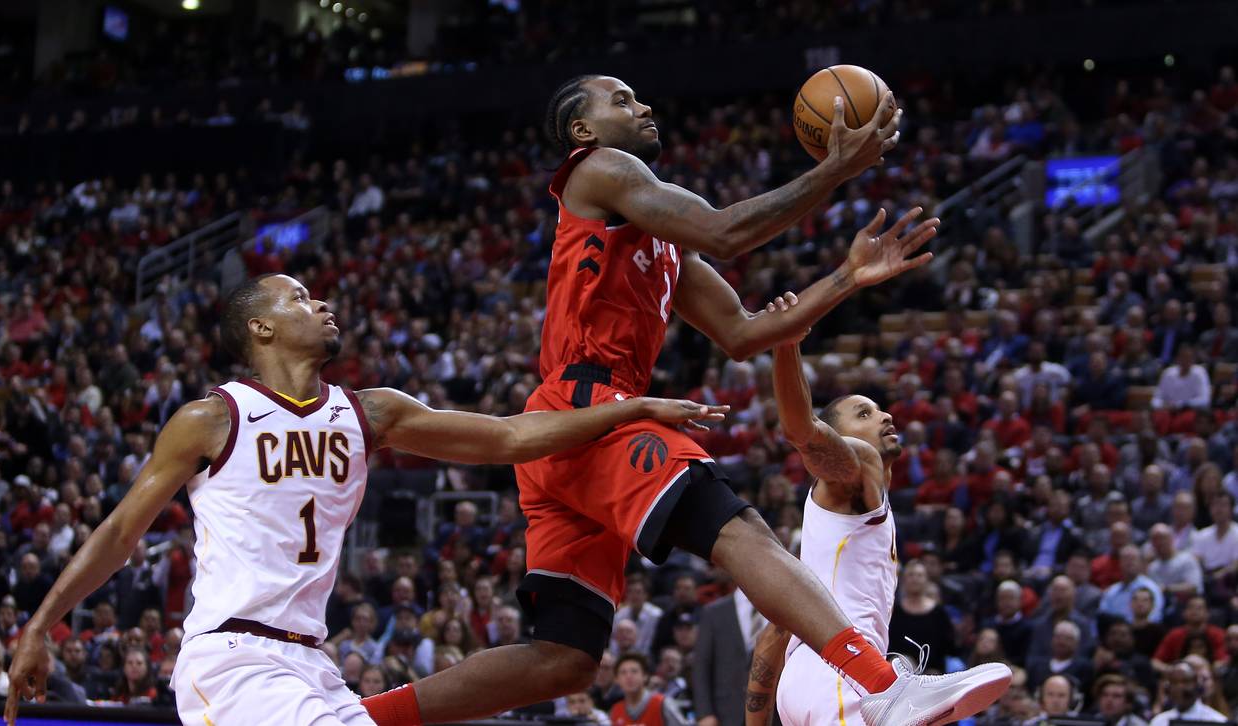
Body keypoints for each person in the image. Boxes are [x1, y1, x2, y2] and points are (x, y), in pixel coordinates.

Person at [364, 74, 969, 726]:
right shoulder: (600, 169)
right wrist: (832, 172)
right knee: (739, 529)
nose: (644, 105)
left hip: (565, 427)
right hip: (586, 407)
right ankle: (882, 685)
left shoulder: (656, 238)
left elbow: (742, 333)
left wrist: (848, 277)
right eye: (621, 100)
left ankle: (362, 718)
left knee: (562, 657)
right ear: (582, 131)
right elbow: (725, 231)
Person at [4, 273, 724, 726]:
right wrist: (41, 624)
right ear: (260, 327)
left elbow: (510, 435)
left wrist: (627, 410)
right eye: (298, 298)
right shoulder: (212, 418)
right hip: (232, 657)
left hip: (315, 664)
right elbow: (121, 531)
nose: (320, 305)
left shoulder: (370, 412)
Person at [746, 338, 1010, 726]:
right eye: (864, 413)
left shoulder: (836, 527)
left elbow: (773, 637)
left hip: (809, 683)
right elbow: (800, 430)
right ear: (838, 435)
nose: (885, 416)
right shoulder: (854, 469)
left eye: (881, 409)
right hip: (840, 675)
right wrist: (787, 344)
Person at [608, 652, 687, 726]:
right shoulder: (615, 711)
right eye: (623, 672)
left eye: (634, 671)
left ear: (645, 676)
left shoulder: (662, 704)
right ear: (616, 679)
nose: (629, 677)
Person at [1148, 661, 1226, 726]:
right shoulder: (1159, 722)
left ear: (1197, 684)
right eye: (1174, 682)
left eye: (1185, 681)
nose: (1179, 688)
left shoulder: (1216, 722)